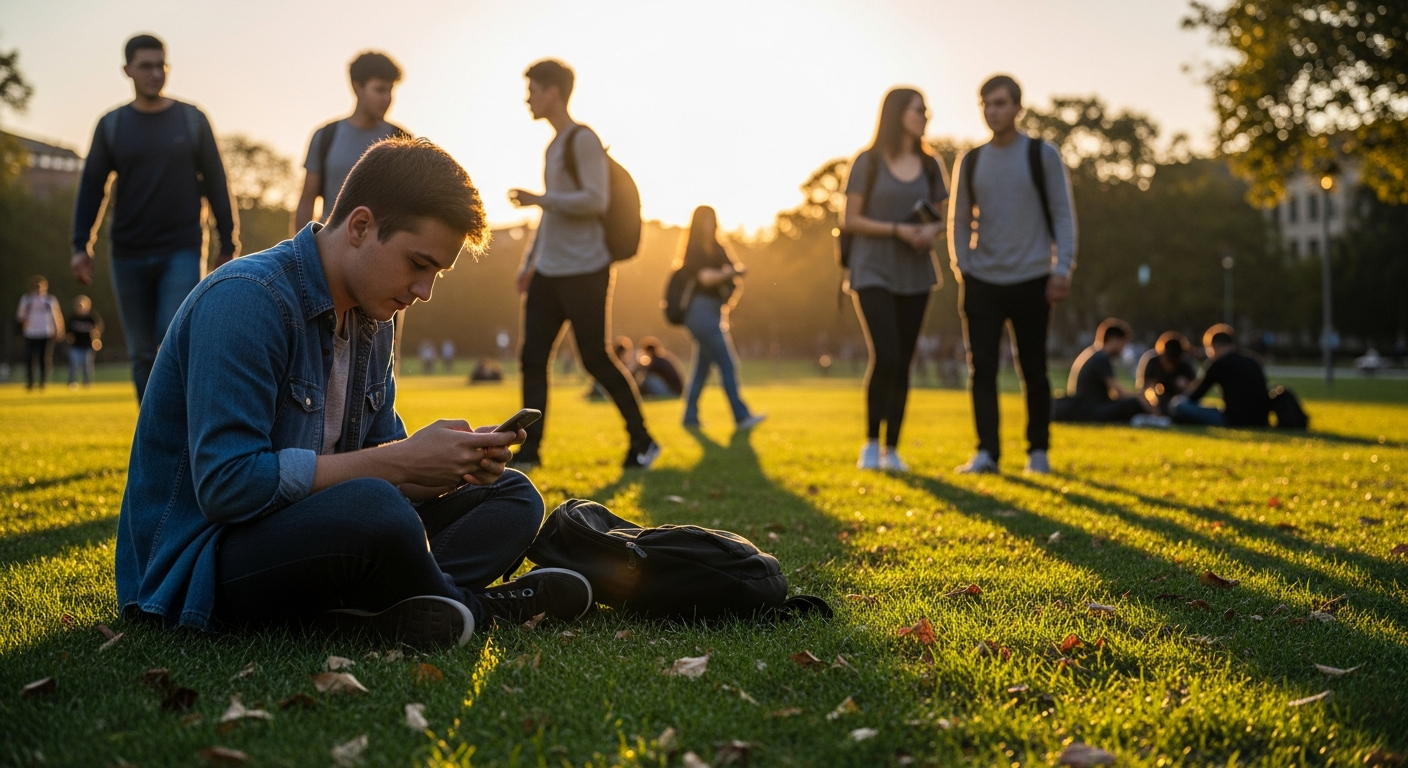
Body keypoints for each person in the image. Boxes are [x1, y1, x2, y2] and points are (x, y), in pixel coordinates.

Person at [115, 139, 592, 649]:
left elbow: (384, 464)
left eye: (435, 273)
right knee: (373, 508)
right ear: (361, 226)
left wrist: (449, 467)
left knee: (511, 494)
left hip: (324, 532)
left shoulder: (373, 318)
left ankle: (392, 607)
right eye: (417, 263)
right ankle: (477, 607)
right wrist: (400, 463)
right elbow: (229, 486)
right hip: (207, 563)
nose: (424, 290)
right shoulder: (247, 299)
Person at [71, 34, 238, 403]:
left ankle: (181, 435)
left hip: (181, 248)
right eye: (145, 66)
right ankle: (154, 440)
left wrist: (228, 243)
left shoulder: (191, 120)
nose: (154, 73)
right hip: (127, 252)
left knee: (172, 341)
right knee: (141, 353)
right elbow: (92, 187)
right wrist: (81, 244)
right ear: (127, 70)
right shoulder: (112, 125)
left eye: (161, 65)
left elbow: (217, 182)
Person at [509, 59, 658, 470]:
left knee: (595, 358)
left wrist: (540, 199)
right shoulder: (553, 146)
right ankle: (531, 451)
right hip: (549, 271)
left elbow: (596, 200)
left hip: (587, 268)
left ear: (553, 91)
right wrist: (529, 262)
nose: (528, 98)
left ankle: (643, 440)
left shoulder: (583, 140)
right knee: (532, 358)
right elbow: (552, 215)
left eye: (533, 89)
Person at [948, 74, 1077, 475]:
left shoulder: (1043, 155)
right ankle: (987, 452)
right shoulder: (970, 160)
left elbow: (1062, 213)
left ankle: (1038, 451)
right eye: (986, 104)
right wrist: (963, 267)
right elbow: (957, 219)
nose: (993, 111)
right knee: (981, 368)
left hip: (1033, 278)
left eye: (1001, 103)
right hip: (982, 279)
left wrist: (1061, 268)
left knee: (1034, 368)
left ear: (1019, 108)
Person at [839, 87, 948, 472]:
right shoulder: (867, 162)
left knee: (903, 360)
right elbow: (849, 219)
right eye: (919, 109)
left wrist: (928, 232)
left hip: (916, 272)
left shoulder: (932, 164)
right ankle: (870, 443)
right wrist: (897, 231)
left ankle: (893, 448)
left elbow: (942, 217)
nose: (925, 116)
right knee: (884, 354)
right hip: (872, 270)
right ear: (898, 112)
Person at [669, 206, 764, 429]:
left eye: (713, 219)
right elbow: (706, 278)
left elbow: (731, 273)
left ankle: (689, 417)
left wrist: (733, 276)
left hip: (715, 310)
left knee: (702, 367)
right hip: (699, 312)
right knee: (727, 363)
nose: (710, 224)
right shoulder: (694, 250)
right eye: (706, 220)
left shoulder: (718, 247)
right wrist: (731, 272)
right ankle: (741, 416)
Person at [294, 52, 408, 230]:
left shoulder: (402, 141)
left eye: (390, 90)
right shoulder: (325, 136)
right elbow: (307, 200)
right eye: (379, 90)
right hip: (329, 249)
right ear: (357, 88)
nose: (387, 98)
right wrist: (299, 252)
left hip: (382, 252)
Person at [1053, 318, 1157, 423]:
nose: (1123, 348)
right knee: (1134, 403)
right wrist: (1141, 397)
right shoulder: (1101, 358)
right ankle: (1157, 418)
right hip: (1091, 409)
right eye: (1123, 343)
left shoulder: (1093, 353)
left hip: (1087, 406)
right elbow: (1119, 393)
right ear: (1114, 340)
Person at [1171, 324, 1272, 427]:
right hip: (1261, 420)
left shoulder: (1220, 363)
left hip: (1233, 420)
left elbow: (1195, 395)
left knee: (1179, 405)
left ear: (1215, 346)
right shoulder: (1252, 360)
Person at [15, 276, 64, 391]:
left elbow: (56, 316)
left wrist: (60, 330)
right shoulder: (26, 300)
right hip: (30, 333)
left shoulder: (50, 300)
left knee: (44, 358)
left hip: (46, 332)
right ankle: (30, 382)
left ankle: (43, 382)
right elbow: (20, 316)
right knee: (29, 358)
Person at [1137, 331, 1196, 415]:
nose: (1170, 366)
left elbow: (1195, 389)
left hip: (1178, 402)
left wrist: (1186, 386)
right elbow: (1144, 389)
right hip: (1156, 402)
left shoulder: (1185, 364)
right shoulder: (1152, 362)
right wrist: (1151, 407)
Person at [66, 295, 104, 388]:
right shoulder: (73, 318)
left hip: (87, 345)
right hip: (76, 345)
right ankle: (72, 382)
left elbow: (98, 330)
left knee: (87, 364)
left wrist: (96, 340)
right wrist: (69, 339)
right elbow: (68, 332)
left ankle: (87, 383)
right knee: (74, 364)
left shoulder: (91, 318)